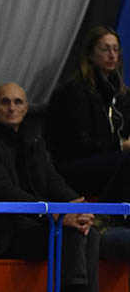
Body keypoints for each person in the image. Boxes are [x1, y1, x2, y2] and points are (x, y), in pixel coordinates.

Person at [0, 82, 100, 292]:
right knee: (66, 232)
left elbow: (53, 181)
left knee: (89, 231)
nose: (12, 108)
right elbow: (4, 192)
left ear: (26, 108)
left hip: (35, 224)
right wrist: (53, 214)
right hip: (3, 232)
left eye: (18, 102)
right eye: (5, 102)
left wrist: (77, 207)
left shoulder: (34, 140)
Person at [45, 26, 130, 201]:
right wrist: (120, 145)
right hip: (74, 163)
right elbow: (79, 142)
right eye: (105, 49)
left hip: (109, 157)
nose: (112, 55)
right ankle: (109, 213)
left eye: (115, 50)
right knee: (123, 163)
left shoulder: (121, 93)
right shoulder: (75, 90)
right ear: (90, 54)